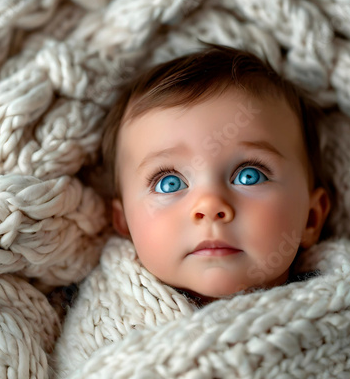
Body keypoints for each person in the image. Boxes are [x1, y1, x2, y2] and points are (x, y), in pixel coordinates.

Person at [101, 42, 332, 306]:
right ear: (125, 225)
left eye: (249, 176)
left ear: (310, 219)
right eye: (169, 183)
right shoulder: (103, 322)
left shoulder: (345, 306)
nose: (210, 205)